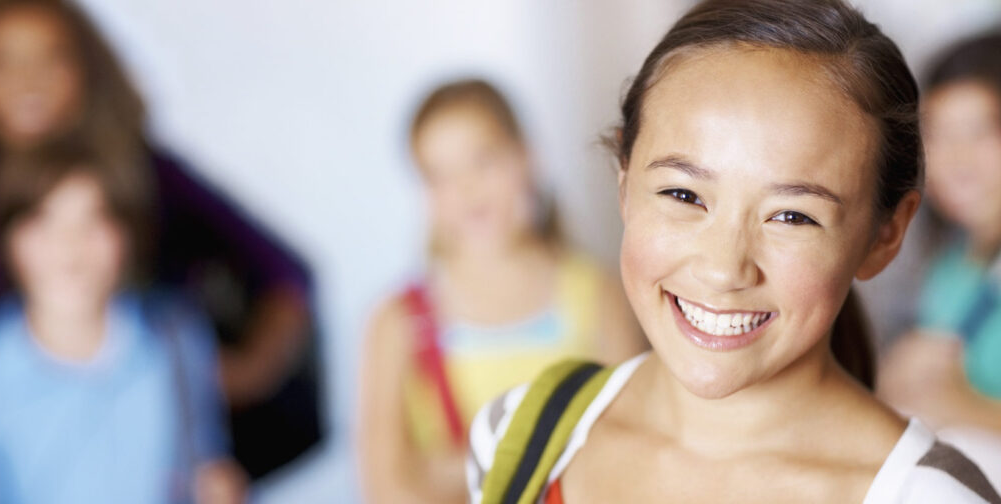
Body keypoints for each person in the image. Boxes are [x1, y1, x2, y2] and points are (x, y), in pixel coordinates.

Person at [466, 1, 1001, 502]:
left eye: (793, 216)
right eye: (684, 194)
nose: (724, 270)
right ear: (624, 181)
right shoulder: (517, 433)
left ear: (884, 235)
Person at [0, 0, 320, 477]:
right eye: (0, 62)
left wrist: (242, 375)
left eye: (95, 218)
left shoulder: (145, 177)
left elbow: (284, 273)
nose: (27, 80)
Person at [357, 79, 645, 503]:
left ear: (528, 156)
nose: (467, 188)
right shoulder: (397, 321)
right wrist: (556, 449)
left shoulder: (600, 295)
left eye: (483, 160)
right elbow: (386, 489)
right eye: (440, 175)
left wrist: (450, 466)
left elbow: (629, 454)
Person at [0, 143, 244, 503]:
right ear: (7, 240)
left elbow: (207, 459)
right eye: (43, 222)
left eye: (94, 220)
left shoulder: (178, 337)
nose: (70, 249)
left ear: (126, 235)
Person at [878, 31, 1001, 486]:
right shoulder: (949, 271)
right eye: (939, 135)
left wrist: (957, 403)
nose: (956, 159)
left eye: (979, 132)